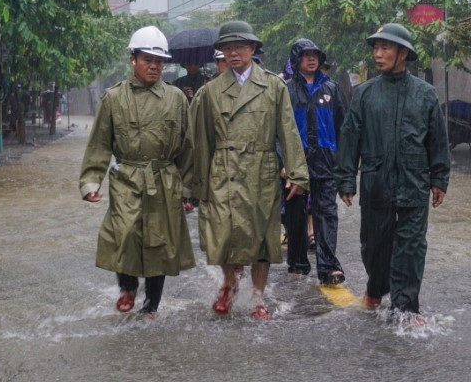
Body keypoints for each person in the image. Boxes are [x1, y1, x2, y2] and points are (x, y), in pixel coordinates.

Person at [185, 20, 309, 320]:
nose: (233, 53)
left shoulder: (273, 87)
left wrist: (297, 173)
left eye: (240, 46)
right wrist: (193, 186)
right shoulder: (210, 92)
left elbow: (288, 131)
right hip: (223, 170)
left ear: (253, 48)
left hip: (261, 170)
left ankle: (257, 297)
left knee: (263, 237)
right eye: (227, 48)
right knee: (221, 233)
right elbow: (198, 140)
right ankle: (229, 281)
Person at [335, 23, 450, 318]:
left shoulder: (425, 95)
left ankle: (406, 309)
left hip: (414, 183)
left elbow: (438, 140)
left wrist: (439, 179)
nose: (378, 53)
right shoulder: (364, 94)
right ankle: (375, 288)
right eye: (375, 47)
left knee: (411, 248)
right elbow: (350, 138)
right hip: (376, 183)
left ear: (403, 53)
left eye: (385, 47)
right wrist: (347, 179)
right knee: (374, 246)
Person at [79, 25, 195, 317]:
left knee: (160, 241)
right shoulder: (113, 99)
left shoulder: (176, 99)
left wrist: (188, 190)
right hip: (127, 178)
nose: (154, 67)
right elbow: (100, 144)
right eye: (148, 60)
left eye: (159, 62)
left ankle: (151, 305)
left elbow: (187, 147)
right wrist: (91, 182)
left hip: (164, 179)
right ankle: (128, 286)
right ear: (133, 59)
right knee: (125, 232)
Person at [284, 38, 348, 284]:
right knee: (295, 214)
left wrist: (344, 164)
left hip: (325, 161)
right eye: (306, 55)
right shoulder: (287, 90)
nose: (311, 59)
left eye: (315, 55)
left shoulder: (331, 89)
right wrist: (283, 163)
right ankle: (298, 262)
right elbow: (279, 130)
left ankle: (329, 266)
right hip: (295, 162)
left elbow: (343, 127)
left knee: (326, 213)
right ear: (296, 60)